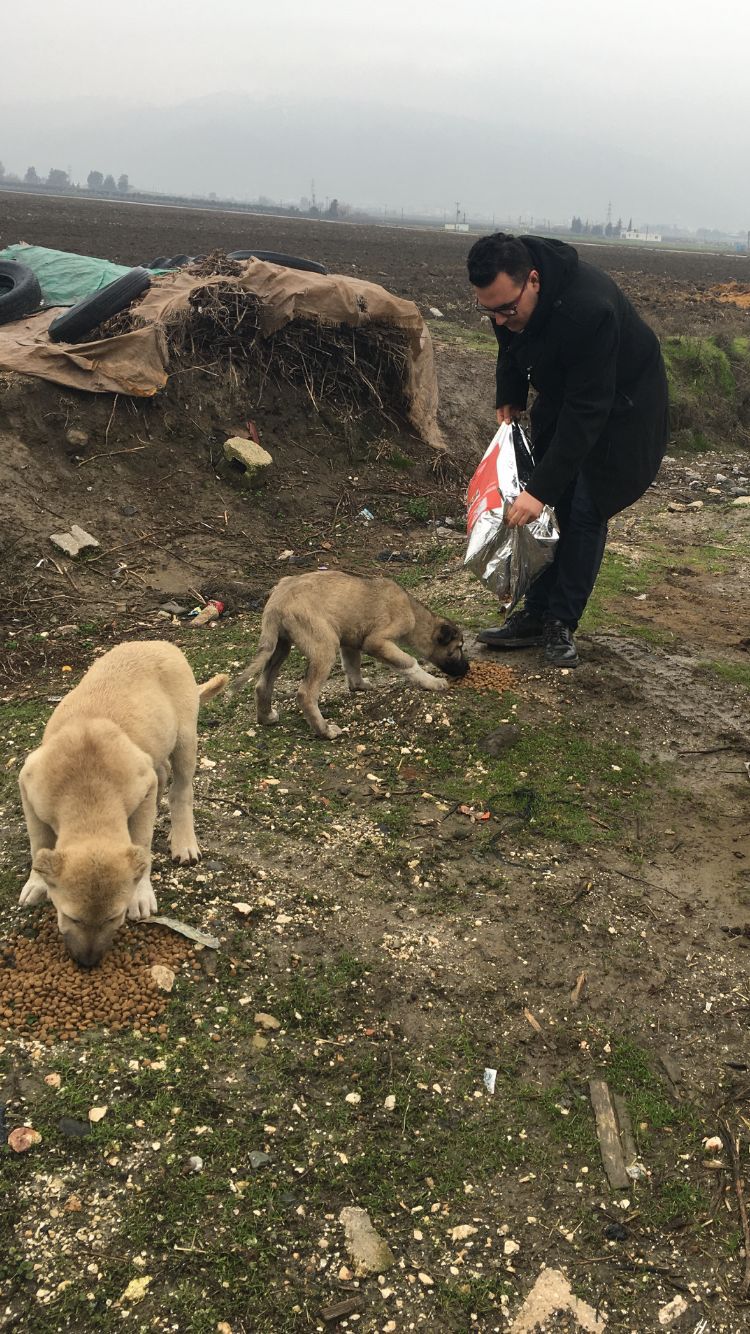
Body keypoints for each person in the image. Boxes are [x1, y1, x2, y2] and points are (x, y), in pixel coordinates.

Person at [467, 232, 669, 667]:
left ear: (534, 281)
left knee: (583, 507)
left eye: (506, 308)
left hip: (624, 406)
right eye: (489, 310)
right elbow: (508, 339)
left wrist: (539, 490)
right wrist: (511, 387)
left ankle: (561, 620)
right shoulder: (509, 294)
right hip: (569, 387)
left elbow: (587, 412)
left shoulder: (588, 311)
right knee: (551, 499)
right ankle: (536, 613)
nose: (499, 320)